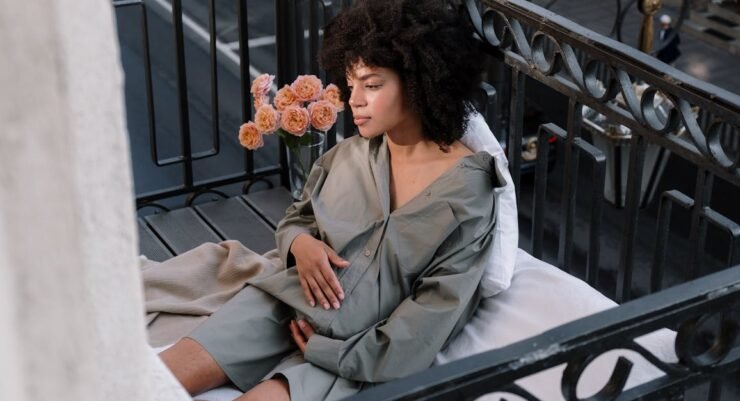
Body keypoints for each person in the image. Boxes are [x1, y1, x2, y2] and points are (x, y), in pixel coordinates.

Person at [157, 1, 508, 400]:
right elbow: (298, 217)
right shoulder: (346, 156)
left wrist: (328, 352)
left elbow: (432, 315)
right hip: (283, 305)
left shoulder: (468, 192)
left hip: (361, 354)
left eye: (371, 85)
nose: (353, 99)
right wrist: (300, 245)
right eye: (351, 82)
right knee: (149, 382)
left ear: (419, 82)